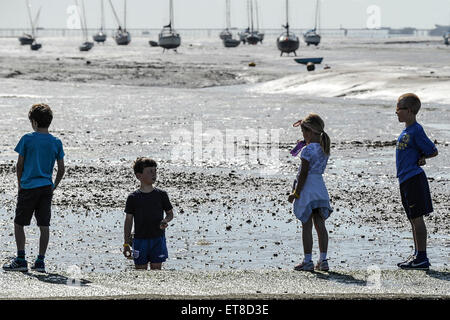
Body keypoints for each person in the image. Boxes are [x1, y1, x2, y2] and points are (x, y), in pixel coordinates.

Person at [3, 103, 65, 272]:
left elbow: (19, 164)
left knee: (19, 223)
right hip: (46, 187)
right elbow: (61, 169)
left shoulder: (27, 139)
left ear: (34, 122)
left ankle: (21, 259)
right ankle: (40, 261)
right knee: (44, 225)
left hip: (29, 187)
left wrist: (19, 184)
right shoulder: (56, 142)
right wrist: (54, 186)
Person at [395, 93, 438, 270]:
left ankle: (422, 257)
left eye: (399, 108)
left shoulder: (416, 130)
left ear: (410, 111)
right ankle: (417, 255)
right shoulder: (406, 131)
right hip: (405, 179)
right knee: (412, 219)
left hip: (414, 178)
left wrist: (422, 156)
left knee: (417, 218)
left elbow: (432, 150)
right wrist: (419, 155)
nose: (396, 112)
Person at [288, 114, 333, 271]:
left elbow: (303, 174)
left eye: (304, 131)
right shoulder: (324, 148)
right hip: (320, 188)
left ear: (311, 131)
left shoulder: (307, 150)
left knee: (306, 224)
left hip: (307, 189)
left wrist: (296, 193)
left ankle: (308, 260)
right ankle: (323, 259)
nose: (303, 135)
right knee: (320, 224)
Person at [123, 157, 174, 270]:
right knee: (140, 272)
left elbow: (170, 214)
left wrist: (165, 220)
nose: (153, 174)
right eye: (149, 171)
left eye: (155, 171)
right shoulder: (133, 197)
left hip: (158, 239)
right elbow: (128, 221)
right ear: (139, 176)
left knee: (156, 271)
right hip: (139, 240)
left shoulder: (161, 195)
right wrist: (126, 244)